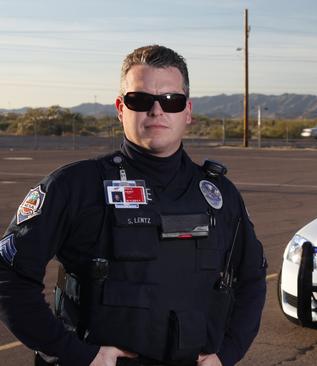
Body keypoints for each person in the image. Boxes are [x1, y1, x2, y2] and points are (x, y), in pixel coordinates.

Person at [0, 45, 267, 366]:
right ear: (120, 108)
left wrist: (228, 353)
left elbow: (252, 278)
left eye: (171, 100)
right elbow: (8, 276)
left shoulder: (219, 195)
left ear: (188, 111)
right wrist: (75, 353)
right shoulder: (75, 186)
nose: (157, 111)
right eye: (140, 100)